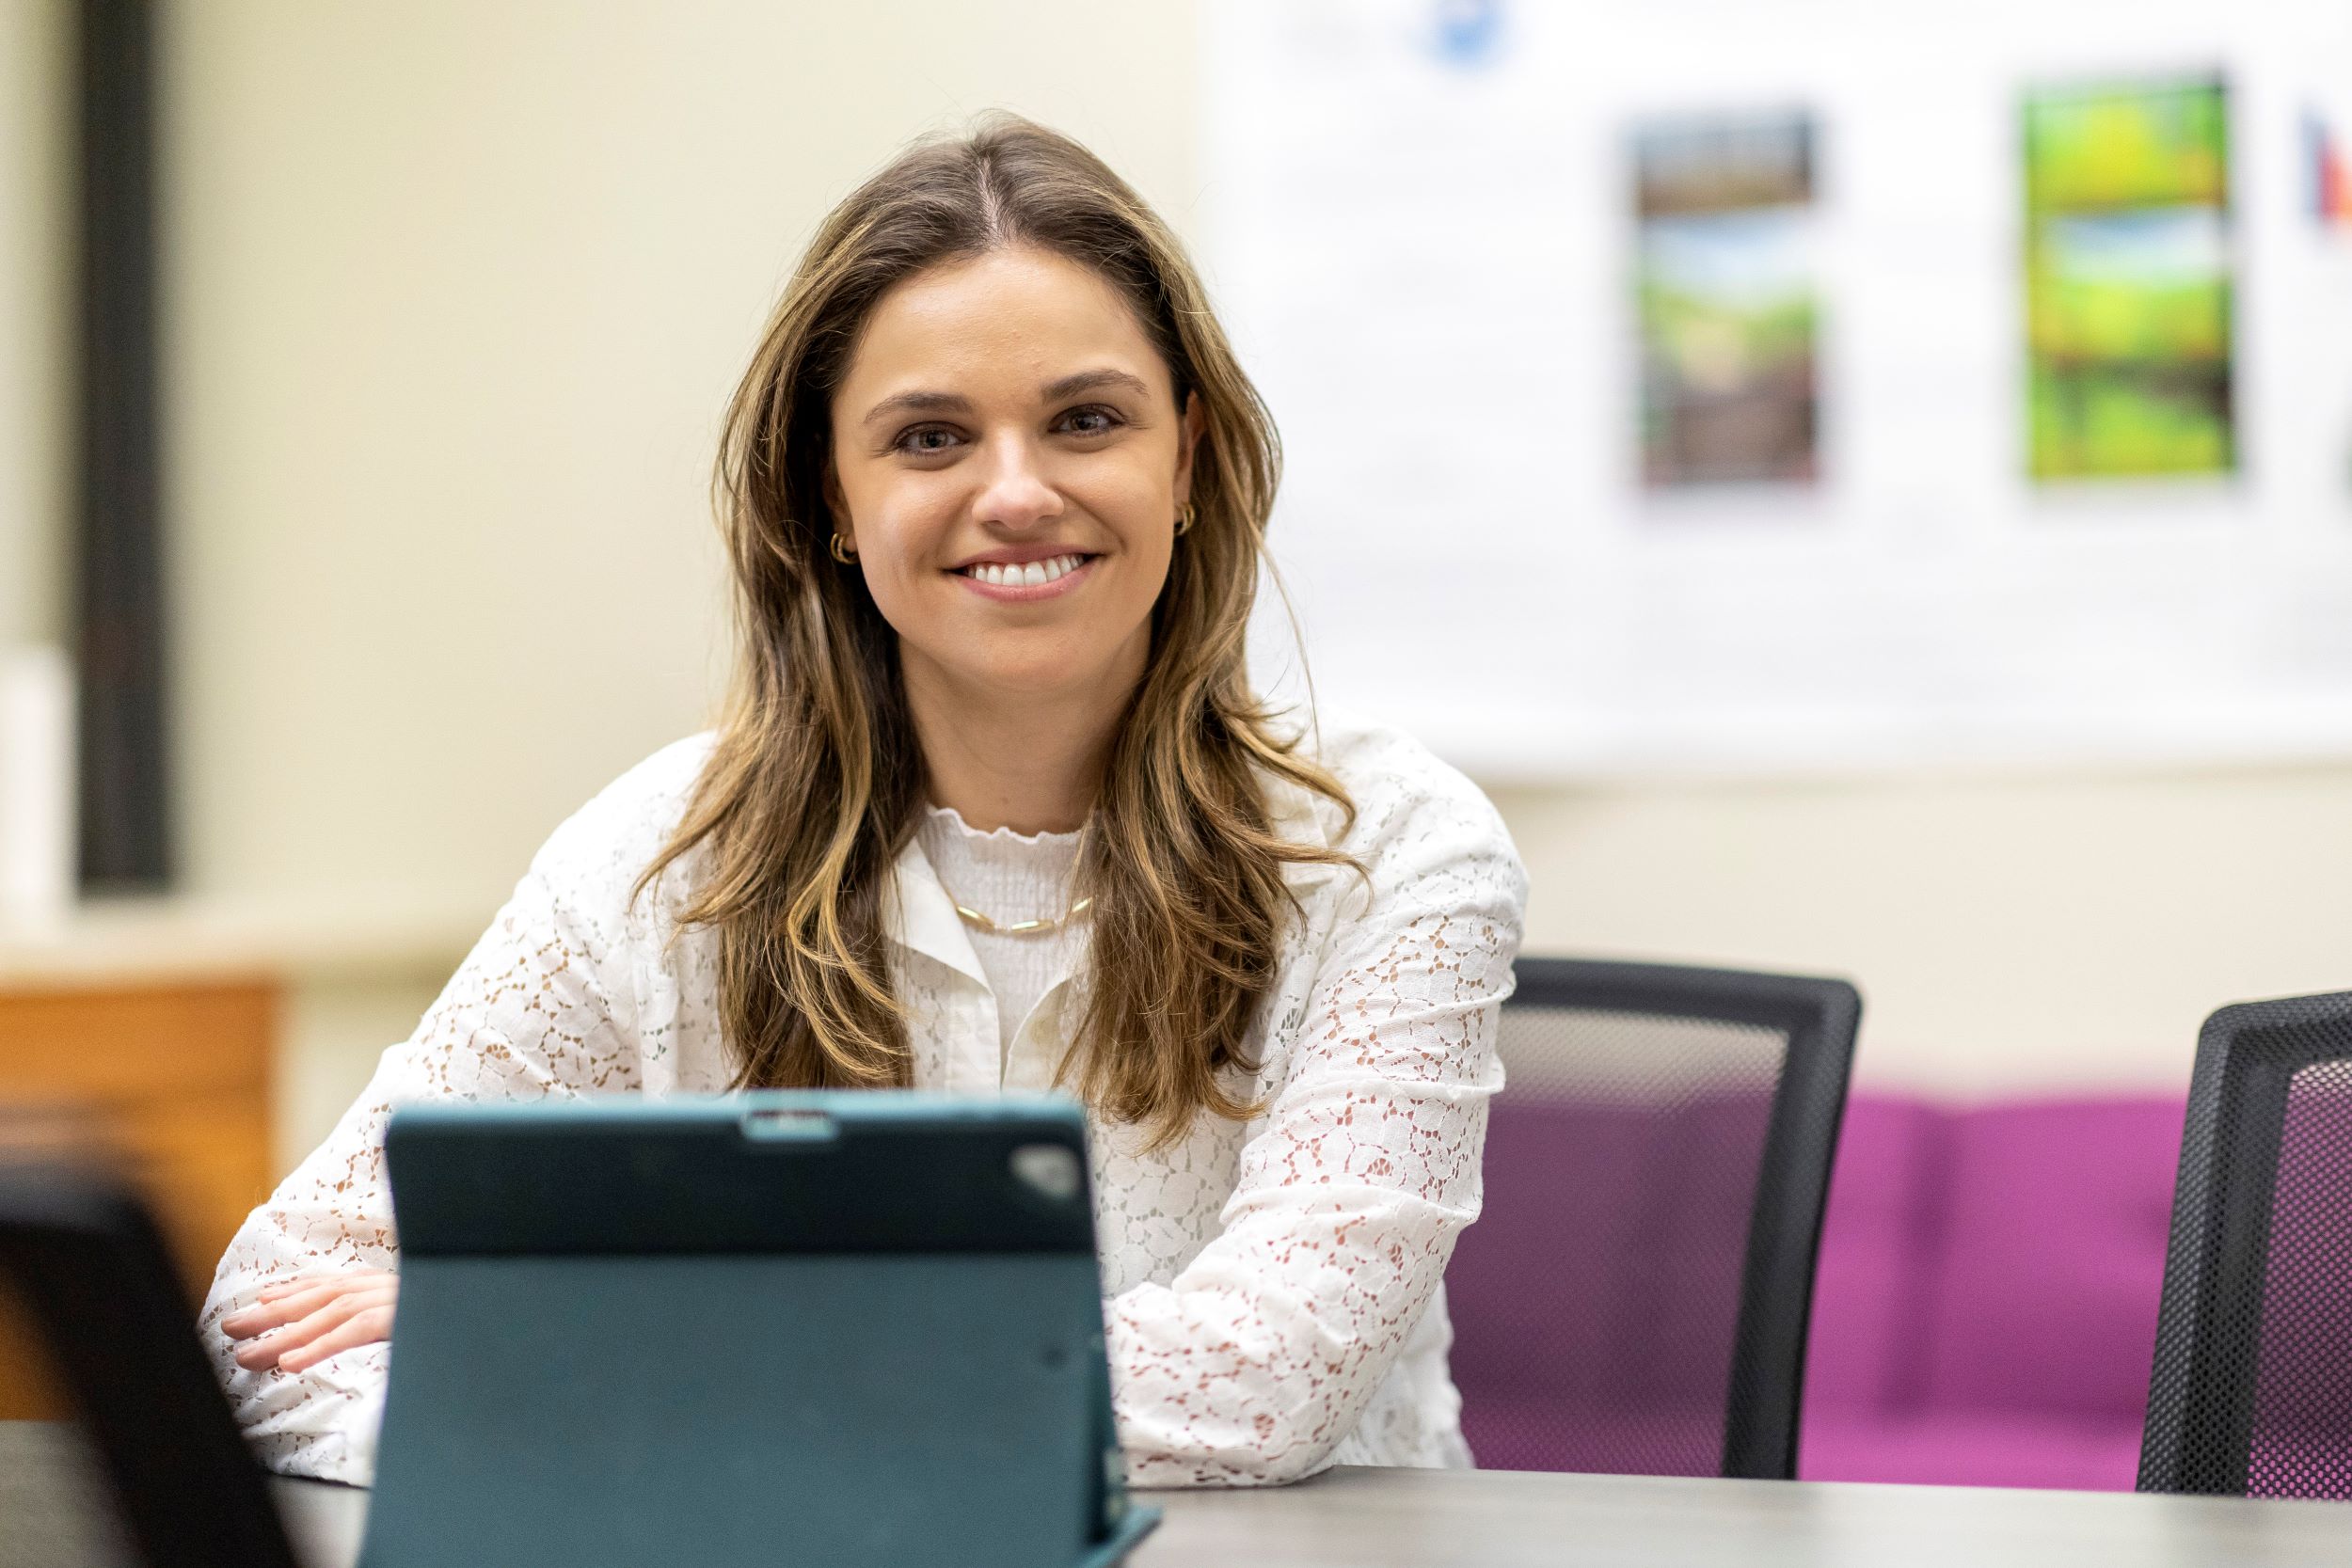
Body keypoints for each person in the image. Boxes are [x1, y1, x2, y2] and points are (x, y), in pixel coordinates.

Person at [204, 114, 1525, 1488]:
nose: (1016, 493)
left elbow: (1264, 1383)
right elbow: (265, 1329)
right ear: (829, 493)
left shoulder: (1392, 856)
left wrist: (602, 1341)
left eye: (1086, 420)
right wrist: (622, 1419)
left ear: (1185, 459)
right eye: (930, 437)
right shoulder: (661, 861)